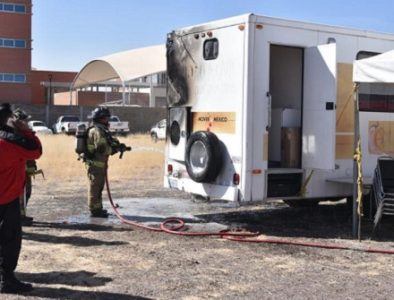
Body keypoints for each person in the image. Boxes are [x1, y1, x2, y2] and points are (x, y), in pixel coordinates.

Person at [0, 103, 42, 294]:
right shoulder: (11, 140)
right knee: (9, 240)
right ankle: (6, 280)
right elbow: (35, 151)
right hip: (5, 199)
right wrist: (26, 131)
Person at [85, 107, 117, 218]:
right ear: (101, 118)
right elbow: (101, 148)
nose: (108, 120)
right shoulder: (97, 130)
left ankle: (98, 208)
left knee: (98, 188)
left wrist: (117, 145)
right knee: (95, 187)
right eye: (106, 118)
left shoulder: (100, 129)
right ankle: (94, 210)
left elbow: (107, 143)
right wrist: (113, 150)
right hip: (95, 165)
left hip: (99, 165)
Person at [13, 109, 38, 226]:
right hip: (17, 170)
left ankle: (21, 215)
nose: (26, 122)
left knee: (26, 192)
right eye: (23, 120)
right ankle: (18, 217)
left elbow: (33, 152)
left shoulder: (25, 133)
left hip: (26, 170)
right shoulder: (14, 135)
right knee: (19, 194)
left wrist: (32, 166)